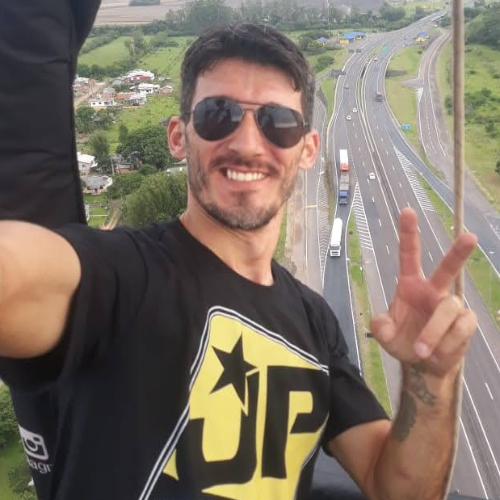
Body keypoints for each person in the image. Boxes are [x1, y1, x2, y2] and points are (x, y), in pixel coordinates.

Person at [0, 23, 477, 500]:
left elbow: (399, 489)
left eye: (278, 123)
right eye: (217, 115)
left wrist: (429, 380)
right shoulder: (120, 275)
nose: (248, 144)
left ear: (307, 149)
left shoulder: (315, 324)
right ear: (178, 136)